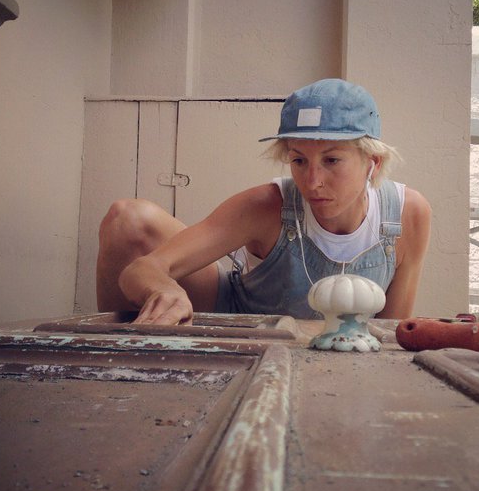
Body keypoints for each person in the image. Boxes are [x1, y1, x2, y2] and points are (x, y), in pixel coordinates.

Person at [96, 78, 431, 325]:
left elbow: (390, 332)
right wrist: (161, 290)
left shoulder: (406, 214)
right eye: (299, 161)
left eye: (332, 161)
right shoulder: (267, 205)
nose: (312, 182)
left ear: (372, 162)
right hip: (238, 322)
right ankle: (114, 358)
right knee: (127, 217)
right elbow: (140, 270)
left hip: (333, 351)